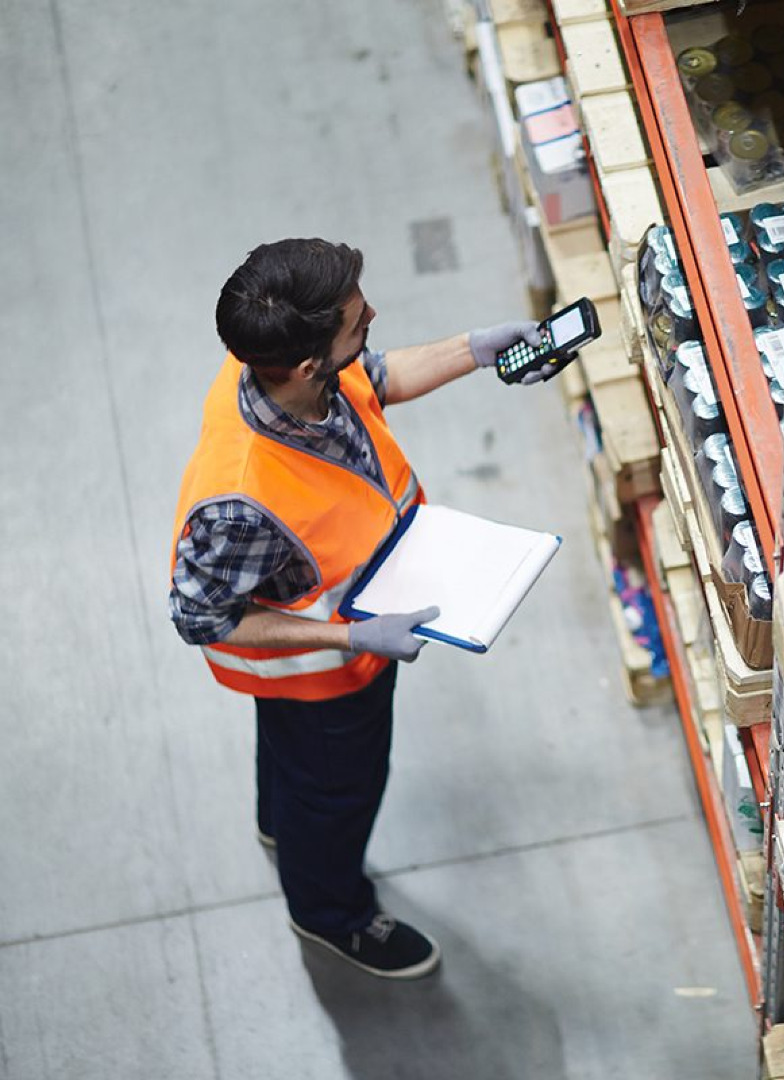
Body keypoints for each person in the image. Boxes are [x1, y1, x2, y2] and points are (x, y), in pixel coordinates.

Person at [168, 238, 549, 979]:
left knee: (296, 780)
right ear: (309, 364)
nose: (372, 316)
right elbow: (198, 616)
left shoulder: (279, 370)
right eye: (356, 319)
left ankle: (281, 824)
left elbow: (371, 378)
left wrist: (474, 350)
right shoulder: (239, 502)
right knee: (338, 791)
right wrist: (349, 636)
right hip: (325, 680)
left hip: (324, 668)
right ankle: (327, 913)